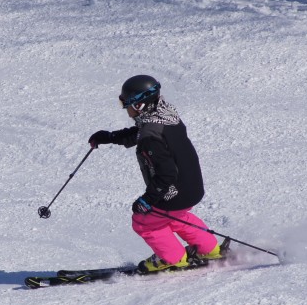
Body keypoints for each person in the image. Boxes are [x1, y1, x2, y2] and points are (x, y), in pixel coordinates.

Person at [88, 74, 223, 273]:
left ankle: (173, 258)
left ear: (140, 105)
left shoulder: (150, 136)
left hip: (173, 191)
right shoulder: (166, 115)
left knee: (144, 221)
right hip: (192, 187)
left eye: (127, 104)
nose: (126, 109)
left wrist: (147, 200)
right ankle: (209, 249)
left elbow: (166, 174)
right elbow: (142, 132)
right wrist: (110, 137)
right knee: (176, 216)